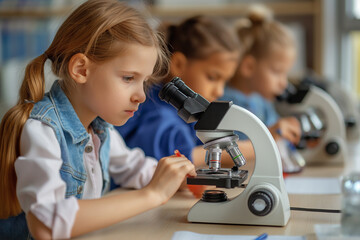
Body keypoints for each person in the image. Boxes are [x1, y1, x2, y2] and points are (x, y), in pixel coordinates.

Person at [0, 1, 196, 239]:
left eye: (144, 82)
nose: (142, 96)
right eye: (128, 78)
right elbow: (45, 224)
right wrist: (152, 195)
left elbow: (134, 168)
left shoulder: (101, 129)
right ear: (81, 70)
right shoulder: (43, 130)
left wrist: (180, 178)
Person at [116, 15, 250, 169]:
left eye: (224, 81)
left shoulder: (189, 112)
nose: (219, 91)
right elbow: (163, 162)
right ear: (179, 64)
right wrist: (248, 150)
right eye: (212, 77)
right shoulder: (157, 111)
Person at [219, 5, 304, 173]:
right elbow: (230, 156)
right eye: (277, 72)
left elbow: (279, 138)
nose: (284, 83)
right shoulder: (226, 104)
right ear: (249, 66)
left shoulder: (261, 102)